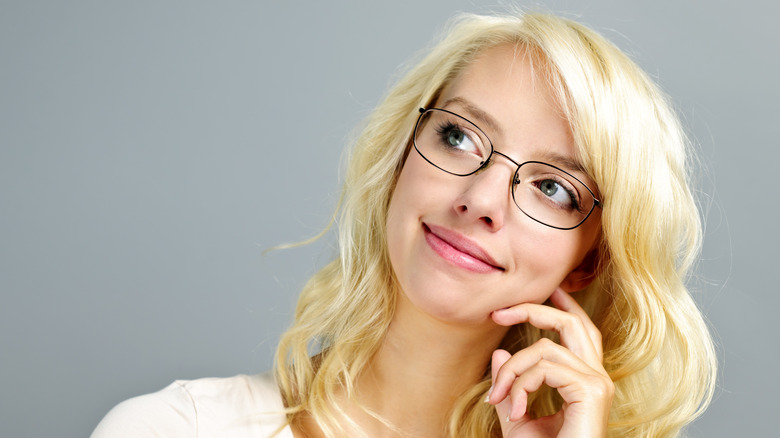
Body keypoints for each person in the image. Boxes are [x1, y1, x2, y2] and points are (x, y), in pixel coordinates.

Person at [92, 10, 716, 438]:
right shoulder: (173, 428)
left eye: (554, 187)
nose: (482, 200)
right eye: (460, 137)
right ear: (401, 157)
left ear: (589, 260)